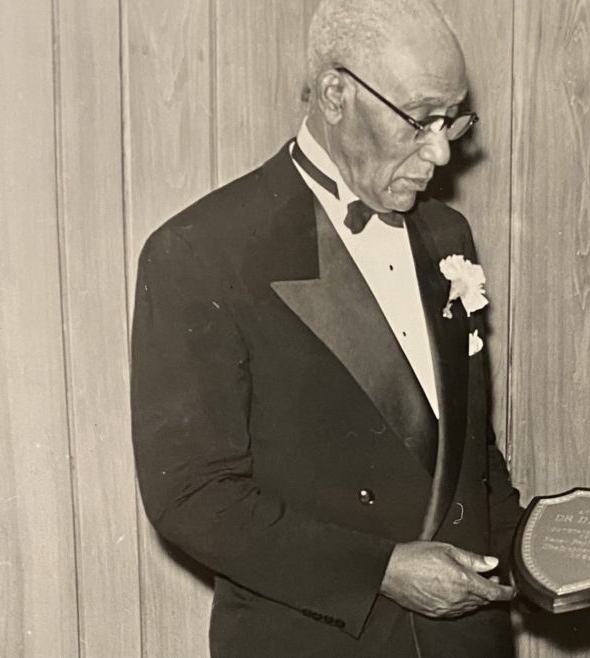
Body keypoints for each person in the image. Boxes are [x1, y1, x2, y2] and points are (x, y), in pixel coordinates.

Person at [130, 1, 521, 655]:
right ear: (337, 95)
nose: (441, 150)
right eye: (419, 120)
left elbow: (468, 457)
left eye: (452, 120)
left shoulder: (447, 233)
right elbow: (192, 497)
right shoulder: (200, 251)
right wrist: (382, 571)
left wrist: (550, 558)